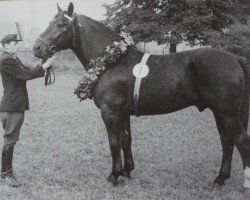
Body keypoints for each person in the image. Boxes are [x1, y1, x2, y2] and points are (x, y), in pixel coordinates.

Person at [0, 33, 54, 187]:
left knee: (11, 141)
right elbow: (25, 75)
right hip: (11, 107)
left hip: (14, 106)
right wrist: (45, 66)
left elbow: (27, 69)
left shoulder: (12, 58)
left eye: (17, 43)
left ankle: (7, 172)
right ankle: (5, 175)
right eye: (13, 43)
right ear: (5, 46)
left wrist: (43, 62)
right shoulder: (6, 59)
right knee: (9, 141)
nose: (16, 45)